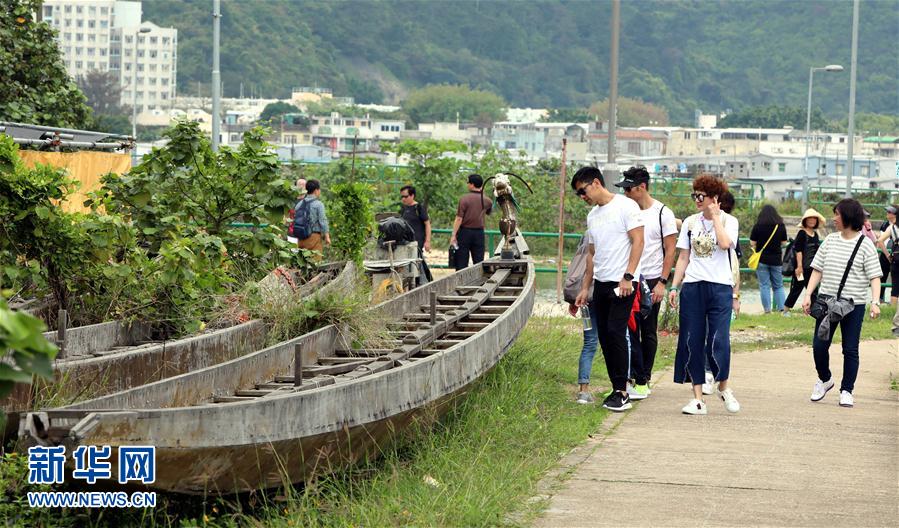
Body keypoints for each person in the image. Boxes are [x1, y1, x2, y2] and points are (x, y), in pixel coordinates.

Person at [572, 166, 644, 412]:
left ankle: (623, 391)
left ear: (595, 183)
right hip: (601, 284)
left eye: (582, 191)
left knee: (616, 331)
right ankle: (616, 388)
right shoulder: (593, 215)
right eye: (578, 195)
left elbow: (638, 241)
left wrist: (628, 276)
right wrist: (585, 287)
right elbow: (592, 254)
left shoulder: (626, 207)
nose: (582, 197)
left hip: (622, 283)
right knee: (604, 336)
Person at [668, 174, 741, 415]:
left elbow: (723, 244)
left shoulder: (730, 221)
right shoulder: (690, 222)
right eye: (695, 195)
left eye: (701, 196)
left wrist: (717, 218)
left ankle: (724, 386)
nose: (697, 200)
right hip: (693, 286)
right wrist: (674, 286)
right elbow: (683, 257)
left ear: (714, 198)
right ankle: (698, 398)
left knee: (719, 339)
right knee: (692, 341)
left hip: (720, 287)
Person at [802, 198, 881, 408]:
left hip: (853, 305)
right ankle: (825, 379)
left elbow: (875, 277)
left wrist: (875, 302)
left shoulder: (865, 245)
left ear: (847, 217)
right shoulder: (830, 240)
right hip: (827, 303)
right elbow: (817, 269)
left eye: (837, 214)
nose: (833, 218)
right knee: (819, 345)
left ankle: (847, 390)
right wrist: (808, 294)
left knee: (850, 349)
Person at [615, 166, 677, 400]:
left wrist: (662, 281)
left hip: (652, 279)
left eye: (629, 188)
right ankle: (635, 375)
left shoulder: (663, 213)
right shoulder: (626, 210)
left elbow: (670, 249)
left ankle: (645, 378)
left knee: (648, 330)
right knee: (629, 330)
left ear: (642, 187)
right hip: (630, 277)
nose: (626, 193)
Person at [565, 230, 599, 404]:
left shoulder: (588, 232)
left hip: (585, 295)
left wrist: (574, 296)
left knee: (589, 342)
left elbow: (577, 264)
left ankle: (583, 390)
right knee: (621, 339)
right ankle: (624, 386)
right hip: (605, 290)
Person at [783, 208, 826, 314]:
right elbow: (799, 251)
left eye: (814, 219)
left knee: (814, 291)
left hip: (812, 269)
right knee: (796, 289)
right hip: (802, 268)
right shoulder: (802, 233)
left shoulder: (815, 235)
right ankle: (785, 310)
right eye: (809, 218)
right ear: (805, 220)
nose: (812, 220)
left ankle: (814, 311)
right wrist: (799, 266)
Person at [750, 205, 788, 314]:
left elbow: (752, 243)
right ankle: (782, 310)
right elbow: (784, 243)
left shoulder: (758, 226)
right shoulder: (780, 226)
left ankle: (767, 311)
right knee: (778, 286)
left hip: (762, 260)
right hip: (776, 260)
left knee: (764, 285)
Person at [450, 174, 493, 270]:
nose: (467, 185)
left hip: (464, 233)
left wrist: (453, 235)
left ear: (472, 184)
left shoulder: (464, 199)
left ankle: (461, 284)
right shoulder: (487, 200)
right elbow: (489, 212)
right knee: (478, 262)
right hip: (479, 233)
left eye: (468, 183)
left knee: (461, 262)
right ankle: (479, 283)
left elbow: (459, 219)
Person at [399, 185, 433, 284]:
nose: (403, 199)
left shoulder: (419, 208)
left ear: (412, 195)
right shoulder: (403, 208)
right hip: (406, 242)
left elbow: (427, 224)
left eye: (405, 196)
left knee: (417, 261)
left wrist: (427, 241)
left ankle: (421, 282)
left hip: (417, 241)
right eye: (402, 197)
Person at [293, 179, 331, 260]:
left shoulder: (299, 204)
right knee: (315, 263)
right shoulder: (318, 204)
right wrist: (327, 237)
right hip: (314, 237)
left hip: (300, 238)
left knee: (302, 263)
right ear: (316, 190)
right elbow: (323, 221)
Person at [875, 205, 898, 305]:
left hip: (895, 257)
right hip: (891, 257)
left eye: (890, 212)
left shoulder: (892, 227)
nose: (887, 213)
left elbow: (879, 240)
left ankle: (893, 312)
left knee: (895, 286)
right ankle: (880, 298)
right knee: (883, 277)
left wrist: (888, 254)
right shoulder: (885, 225)